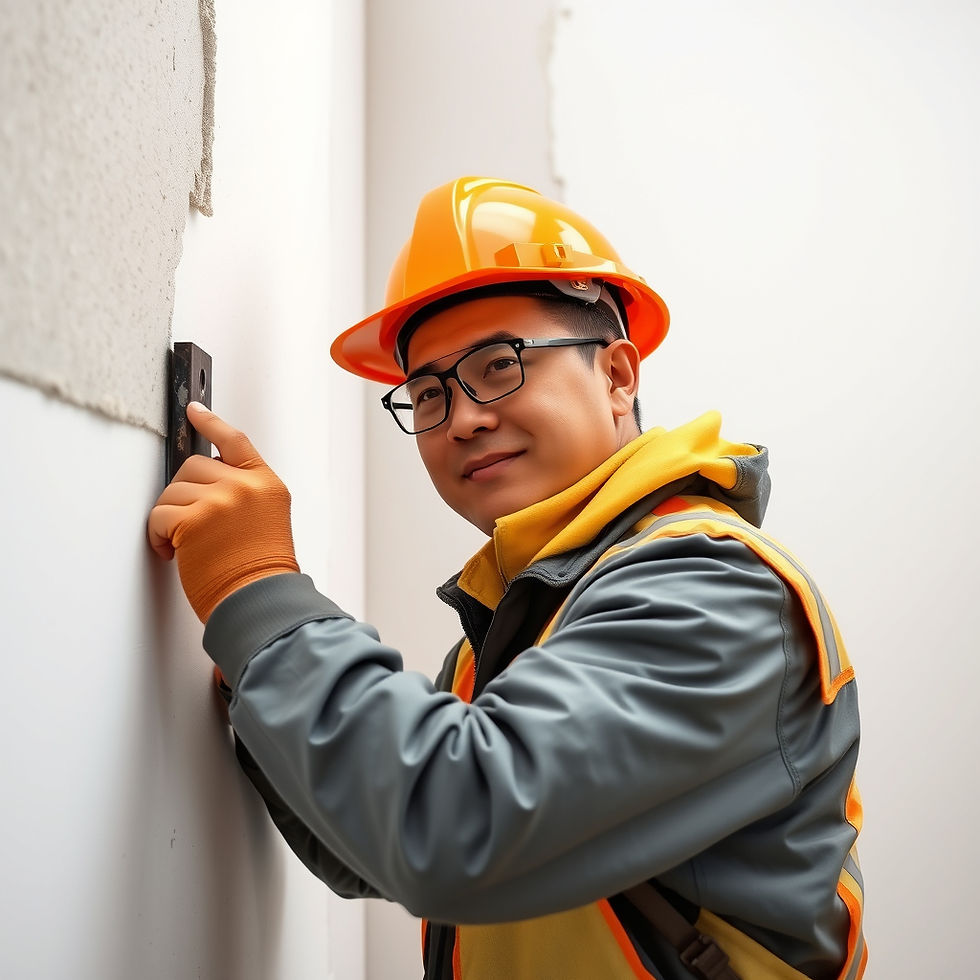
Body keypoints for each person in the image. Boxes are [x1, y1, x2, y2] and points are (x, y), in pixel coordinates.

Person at [148, 176, 866, 980]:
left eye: (499, 365)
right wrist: (257, 665)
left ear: (619, 375)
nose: (463, 417)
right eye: (427, 392)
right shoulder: (538, 614)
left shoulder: (713, 593)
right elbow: (372, 849)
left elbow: (455, 829)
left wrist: (259, 592)